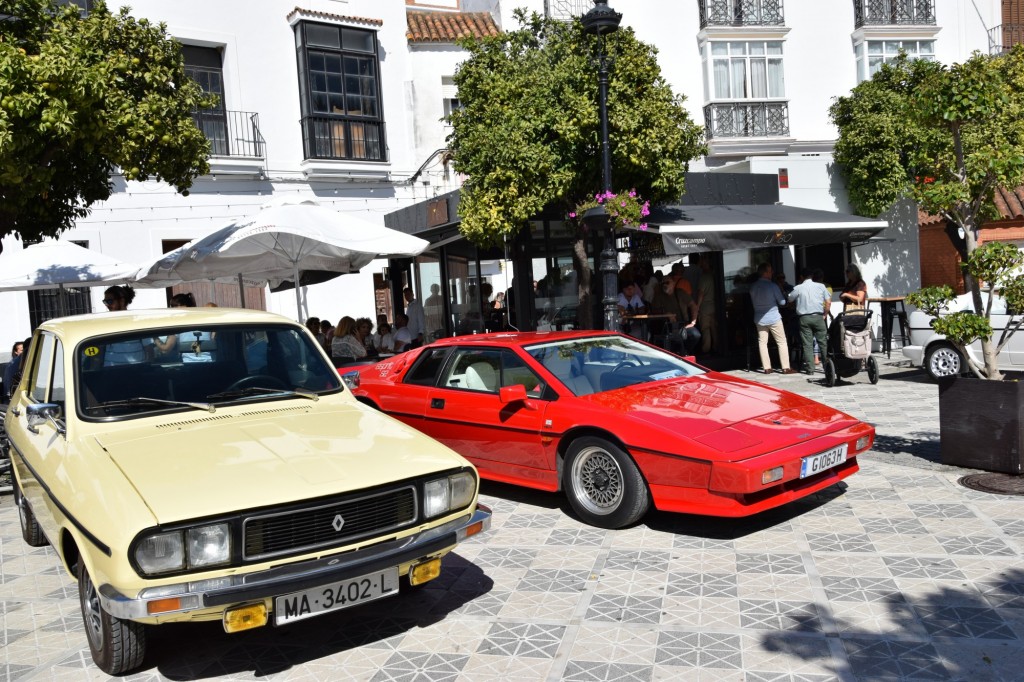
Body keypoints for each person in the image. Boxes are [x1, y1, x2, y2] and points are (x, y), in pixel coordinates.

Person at [750, 262, 796, 374]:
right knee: (781, 341)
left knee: (762, 342)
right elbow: (782, 302)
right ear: (765, 273)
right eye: (770, 271)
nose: (772, 273)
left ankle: (767, 368)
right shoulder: (772, 286)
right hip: (774, 317)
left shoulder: (753, 287)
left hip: (759, 318)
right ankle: (785, 367)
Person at [789, 268, 831, 375]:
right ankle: (827, 366)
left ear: (801, 277)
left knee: (807, 344)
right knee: (823, 342)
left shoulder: (799, 287)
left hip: (804, 318)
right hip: (818, 316)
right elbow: (828, 301)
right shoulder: (821, 286)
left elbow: (790, 299)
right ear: (812, 276)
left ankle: (810, 368)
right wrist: (825, 314)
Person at [650, 277, 700, 353]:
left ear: (673, 283)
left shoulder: (680, 293)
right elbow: (653, 311)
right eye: (663, 283)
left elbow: (693, 306)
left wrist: (693, 322)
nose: (665, 285)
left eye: (667, 282)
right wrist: (665, 314)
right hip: (666, 327)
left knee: (695, 335)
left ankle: (685, 352)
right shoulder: (658, 296)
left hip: (682, 325)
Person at [695, 255, 717, 355]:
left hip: (705, 308)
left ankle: (706, 350)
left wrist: (697, 307)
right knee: (715, 329)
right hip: (715, 306)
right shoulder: (714, 275)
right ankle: (717, 348)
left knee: (706, 330)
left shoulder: (704, 277)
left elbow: (700, 294)